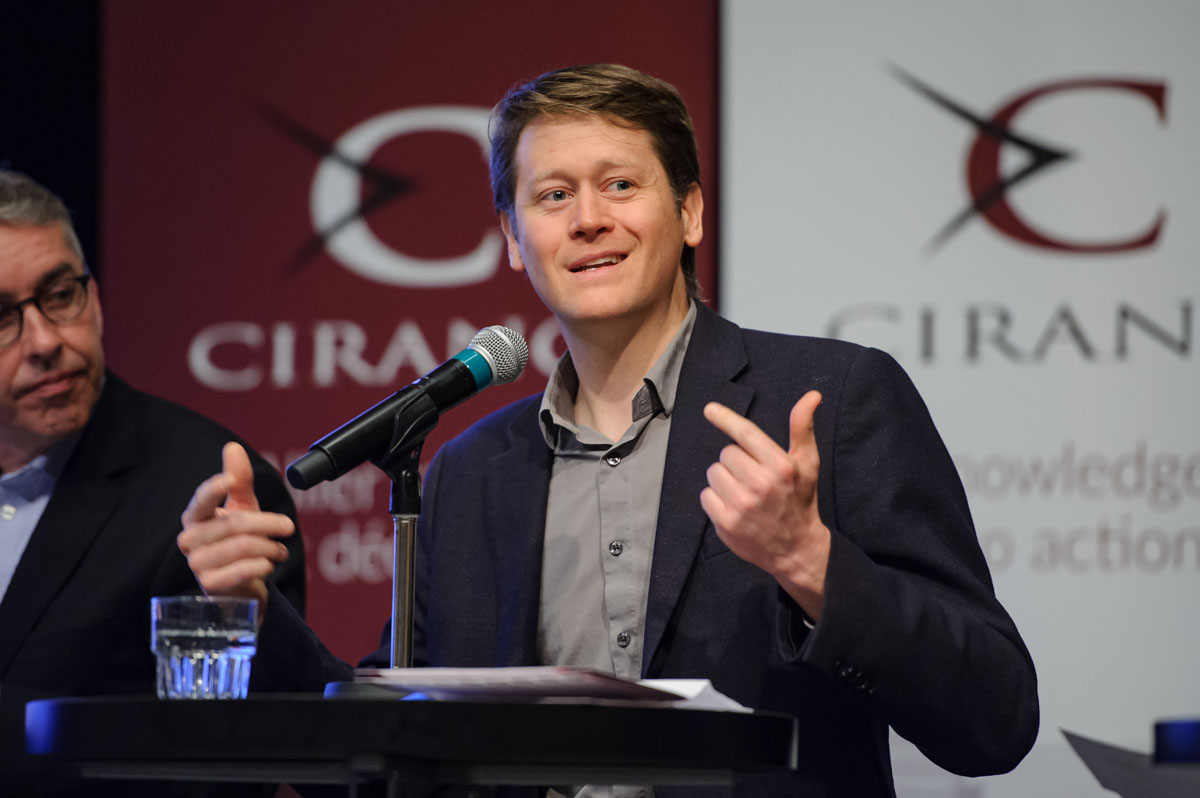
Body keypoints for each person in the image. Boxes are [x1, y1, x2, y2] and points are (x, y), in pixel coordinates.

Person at [181, 64, 1039, 797]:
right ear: (513, 238)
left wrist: (812, 565)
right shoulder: (471, 472)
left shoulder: (831, 401)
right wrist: (251, 616)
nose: (588, 218)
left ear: (690, 213)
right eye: (553, 196)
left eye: (620, 185)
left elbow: (995, 719)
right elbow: (386, 758)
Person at [0, 170, 307, 797]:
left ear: (94, 294)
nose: (45, 341)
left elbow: (224, 768)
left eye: (61, 295)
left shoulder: (208, 496)